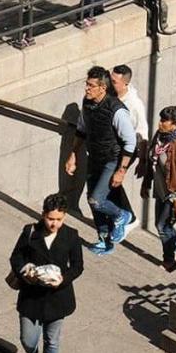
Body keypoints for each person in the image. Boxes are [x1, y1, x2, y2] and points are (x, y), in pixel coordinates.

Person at [10, 194, 84, 353]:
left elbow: (77, 266)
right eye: (50, 219)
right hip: (31, 296)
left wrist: (63, 280)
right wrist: (25, 271)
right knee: (28, 339)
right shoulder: (30, 232)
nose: (54, 223)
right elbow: (16, 257)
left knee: (52, 339)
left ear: (65, 217)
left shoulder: (72, 235)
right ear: (43, 215)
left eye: (58, 219)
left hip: (57, 297)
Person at [65, 67, 138, 255]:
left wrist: (121, 171)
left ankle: (123, 215)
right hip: (94, 158)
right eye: (86, 84)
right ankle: (104, 240)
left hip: (112, 159)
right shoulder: (87, 104)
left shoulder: (117, 110)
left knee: (96, 200)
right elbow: (81, 129)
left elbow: (130, 142)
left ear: (102, 88)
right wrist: (73, 154)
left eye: (91, 86)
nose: (87, 89)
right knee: (92, 201)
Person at [143, 106, 176, 271]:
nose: (160, 123)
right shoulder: (160, 137)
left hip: (173, 193)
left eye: (164, 121)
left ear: (175, 125)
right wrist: (146, 184)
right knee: (164, 226)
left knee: (162, 226)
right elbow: (151, 162)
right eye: (161, 119)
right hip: (160, 190)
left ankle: (170, 258)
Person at [111, 64, 148, 229]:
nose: (110, 84)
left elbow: (142, 133)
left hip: (127, 148)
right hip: (113, 145)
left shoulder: (134, 104)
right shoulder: (112, 96)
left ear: (125, 83)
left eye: (114, 82)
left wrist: (142, 160)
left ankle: (129, 217)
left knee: (113, 180)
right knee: (108, 180)